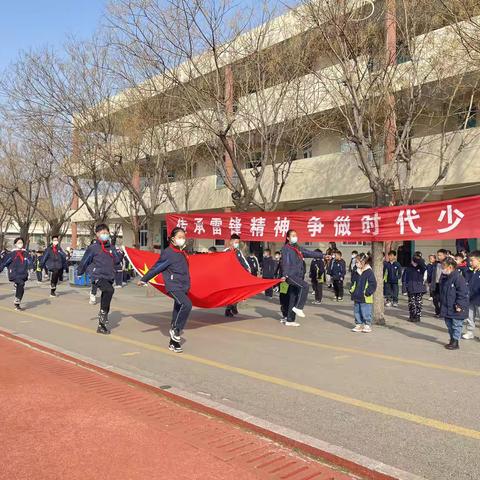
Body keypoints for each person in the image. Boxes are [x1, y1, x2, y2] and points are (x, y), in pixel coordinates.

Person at [138, 227, 191, 353]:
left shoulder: (182, 252)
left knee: (177, 310)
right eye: (179, 237)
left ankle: (174, 343)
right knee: (186, 304)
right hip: (173, 285)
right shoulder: (168, 253)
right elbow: (157, 268)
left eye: (183, 237)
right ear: (172, 238)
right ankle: (175, 330)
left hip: (183, 285)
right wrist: (144, 279)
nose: (182, 239)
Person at [77, 224, 122, 334]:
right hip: (97, 275)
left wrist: (119, 255)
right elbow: (85, 260)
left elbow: (116, 261)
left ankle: (101, 326)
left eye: (106, 232)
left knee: (106, 297)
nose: (105, 235)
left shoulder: (111, 247)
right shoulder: (93, 248)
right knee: (109, 290)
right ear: (97, 234)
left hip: (109, 275)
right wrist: (80, 272)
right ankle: (103, 315)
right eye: (102, 233)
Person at [280, 229, 323, 323]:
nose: (295, 237)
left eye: (296, 235)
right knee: (305, 286)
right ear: (288, 238)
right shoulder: (286, 248)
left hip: (298, 275)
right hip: (290, 275)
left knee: (293, 296)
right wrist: (285, 275)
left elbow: (309, 253)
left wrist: (322, 255)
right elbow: (285, 263)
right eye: (292, 235)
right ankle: (299, 307)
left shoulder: (297, 248)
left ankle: (290, 320)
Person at [440, 257, 469, 350]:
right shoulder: (445, 277)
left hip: (456, 307)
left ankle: (455, 342)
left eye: (444, 266)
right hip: (446, 306)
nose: (442, 268)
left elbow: (462, 293)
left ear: (451, 266)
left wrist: (459, 305)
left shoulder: (458, 278)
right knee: (449, 325)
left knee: (456, 325)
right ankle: (452, 339)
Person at [0, 237, 34, 310]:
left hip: (23, 273)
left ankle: (17, 301)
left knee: (21, 286)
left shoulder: (26, 253)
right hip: (14, 273)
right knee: (21, 283)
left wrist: (31, 268)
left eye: (21, 242)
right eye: (18, 242)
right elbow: (5, 262)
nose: (20, 244)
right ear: (15, 244)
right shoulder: (12, 254)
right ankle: (17, 300)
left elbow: (30, 261)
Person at [350, 253, 377, 333]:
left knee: (366, 311)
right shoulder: (356, 271)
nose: (356, 263)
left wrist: (367, 292)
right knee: (357, 311)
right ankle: (358, 324)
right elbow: (353, 282)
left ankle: (367, 325)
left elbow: (373, 284)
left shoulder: (369, 272)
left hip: (365, 297)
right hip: (356, 296)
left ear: (363, 262)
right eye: (356, 262)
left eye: (358, 262)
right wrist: (352, 290)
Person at [224, 234, 250, 317]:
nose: (237, 243)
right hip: (228, 277)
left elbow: (244, 262)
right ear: (231, 242)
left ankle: (233, 306)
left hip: (236, 277)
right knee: (230, 294)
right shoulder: (226, 251)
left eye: (238, 242)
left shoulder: (238, 252)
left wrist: (248, 269)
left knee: (237, 293)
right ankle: (229, 309)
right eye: (235, 242)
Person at [405, 252, 427, 323]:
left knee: (418, 303)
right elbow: (405, 278)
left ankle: (417, 316)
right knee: (411, 303)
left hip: (419, 287)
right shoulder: (409, 267)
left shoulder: (422, 267)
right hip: (411, 287)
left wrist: (418, 259)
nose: (415, 260)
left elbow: (423, 266)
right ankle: (412, 316)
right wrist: (404, 288)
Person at [463, 250, 480, 340]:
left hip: (478, 298)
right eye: (469, 260)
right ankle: (470, 332)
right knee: (470, 317)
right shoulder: (470, 271)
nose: (470, 262)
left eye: (472, 260)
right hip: (470, 298)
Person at [432, 249, 448, 317]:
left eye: (440, 255)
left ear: (445, 255)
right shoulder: (436, 264)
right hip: (435, 284)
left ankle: (442, 313)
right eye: (438, 255)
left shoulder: (448, 263)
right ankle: (438, 312)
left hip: (443, 284)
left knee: (442, 299)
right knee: (435, 299)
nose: (438, 257)